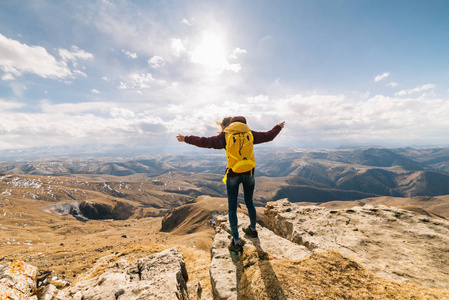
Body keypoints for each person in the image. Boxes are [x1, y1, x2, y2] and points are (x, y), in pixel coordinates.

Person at [177, 116, 285, 252]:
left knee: (232, 207)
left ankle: (236, 241)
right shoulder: (249, 133)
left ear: (226, 125)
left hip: (233, 174)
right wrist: (278, 127)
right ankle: (252, 229)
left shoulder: (225, 135)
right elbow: (269, 136)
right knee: (249, 202)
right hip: (249, 172)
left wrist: (186, 138)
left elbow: (205, 142)